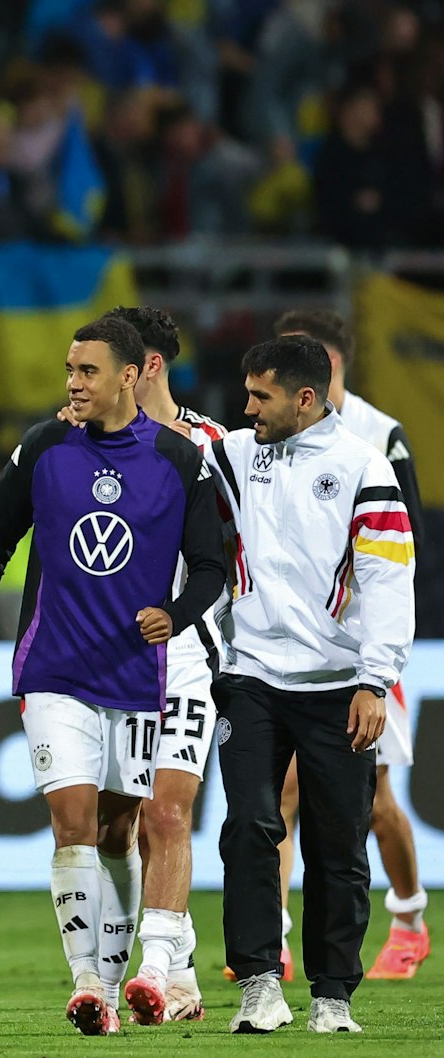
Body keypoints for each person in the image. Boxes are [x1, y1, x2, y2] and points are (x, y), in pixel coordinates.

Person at [0, 316, 225, 1036]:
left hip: (138, 672)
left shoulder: (181, 460)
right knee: (73, 823)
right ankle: (89, 983)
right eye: (68, 370)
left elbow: (210, 566)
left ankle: (132, 981)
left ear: (129, 375)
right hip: (55, 667)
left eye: (87, 371)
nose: (72, 384)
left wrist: (175, 616)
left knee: (124, 830)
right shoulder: (45, 447)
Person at [209, 334, 414, 1035]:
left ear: (304, 397)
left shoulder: (363, 468)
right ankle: (260, 983)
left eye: (259, 396)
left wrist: (375, 679)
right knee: (248, 829)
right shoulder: (235, 453)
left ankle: (333, 995)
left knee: (338, 843)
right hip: (251, 678)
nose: (247, 408)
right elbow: (168, 429)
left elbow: (389, 576)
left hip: (338, 685)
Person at [271, 308, 429, 981]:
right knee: (281, 793)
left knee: (372, 802)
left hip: (362, 650)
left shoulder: (379, 438)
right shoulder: (267, 435)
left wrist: (379, 649)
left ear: (334, 367)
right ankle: (274, 939)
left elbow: (402, 547)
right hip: (286, 649)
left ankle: (410, 916)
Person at [85, 306, 228, 1025]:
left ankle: (155, 968)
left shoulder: (212, 446)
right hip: (105, 664)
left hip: (189, 659)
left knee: (167, 812)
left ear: (147, 369)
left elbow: (236, 561)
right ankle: (184, 975)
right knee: (123, 828)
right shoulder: (79, 442)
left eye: (111, 367)